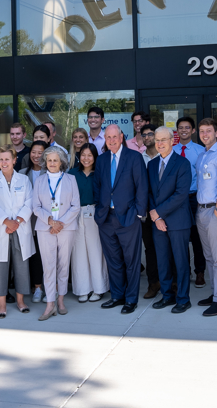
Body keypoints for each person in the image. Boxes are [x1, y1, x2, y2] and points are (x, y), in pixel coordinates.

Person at [94, 123, 148, 313]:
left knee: (131, 261)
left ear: (121, 136)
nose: (111, 141)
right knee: (113, 260)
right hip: (106, 218)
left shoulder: (134, 157)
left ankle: (131, 299)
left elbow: (142, 186)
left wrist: (139, 213)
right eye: (107, 138)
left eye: (114, 137)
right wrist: (99, 210)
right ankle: (117, 295)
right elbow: (97, 187)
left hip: (128, 217)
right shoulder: (101, 160)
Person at [0, 147, 35, 318]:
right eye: (1, 159)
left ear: (14, 160)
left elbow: (30, 202)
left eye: (7, 159)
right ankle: (2, 304)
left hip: (19, 227)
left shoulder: (24, 180)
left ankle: (20, 301)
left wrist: (17, 221)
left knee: (21, 266)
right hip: (1, 227)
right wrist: (6, 221)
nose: (3, 163)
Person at [147, 127, 194, 313]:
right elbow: (149, 191)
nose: (159, 143)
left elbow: (181, 194)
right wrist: (154, 213)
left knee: (181, 261)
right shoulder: (151, 164)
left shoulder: (183, 163)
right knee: (163, 261)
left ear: (172, 141)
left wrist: (158, 213)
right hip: (157, 221)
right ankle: (167, 296)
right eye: (157, 140)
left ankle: (183, 298)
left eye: (163, 140)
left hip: (177, 221)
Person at [32, 147, 81, 320]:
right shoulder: (39, 180)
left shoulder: (70, 179)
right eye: (49, 160)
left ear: (62, 162)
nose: (52, 163)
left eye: (55, 160)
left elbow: (76, 205)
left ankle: (61, 300)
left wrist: (60, 223)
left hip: (66, 228)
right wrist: (51, 222)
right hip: (45, 228)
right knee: (48, 266)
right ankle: (50, 303)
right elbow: (35, 206)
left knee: (63, 265)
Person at [194, 118, 217, 316]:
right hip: (201, 210)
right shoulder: (202, 156)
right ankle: (215, 292)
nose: (205, 134)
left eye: (209, 131)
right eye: (201, 131)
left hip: (214, 211)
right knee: (208, 256)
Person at [69, 144, 108, 302]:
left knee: (95, 252)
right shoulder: (72, 174)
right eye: (83, 155)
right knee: (79, 253)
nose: (86, 158)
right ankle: (82, 289)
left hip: (94, 214)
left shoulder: (99, 174)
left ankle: (99, 288)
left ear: (95, 157)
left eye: (90, 155)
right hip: (76, 214)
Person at [172, 116, 207, 289]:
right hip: (177, 201)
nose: (183, 130)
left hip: (194, 198)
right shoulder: (172, 151)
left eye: (187, 128)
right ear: (177, 131)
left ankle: (200, 271)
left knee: (197, 237)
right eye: (180, 128)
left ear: (193, 131)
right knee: (181, 238)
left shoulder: (201, 151)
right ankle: (184, 271)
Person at [21, 139, 49, 302]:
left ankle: (51, 287)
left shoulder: (51, 171)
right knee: (35, 256)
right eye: (34, 152)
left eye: (40, 153)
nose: (36, 156)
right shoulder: (23, 173)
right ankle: (37, 287)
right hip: (28, 223)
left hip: (47, 222)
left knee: (49, 256)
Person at [138, 123, 162, 298]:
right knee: (150, 249)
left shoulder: (165, 155)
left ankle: (172, 283)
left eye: (150, 134)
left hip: (164, 210)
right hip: (146, 211)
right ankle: (153, 284)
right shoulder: (139, 158)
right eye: (144, 135)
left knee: (167, 248)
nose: (147, 138)